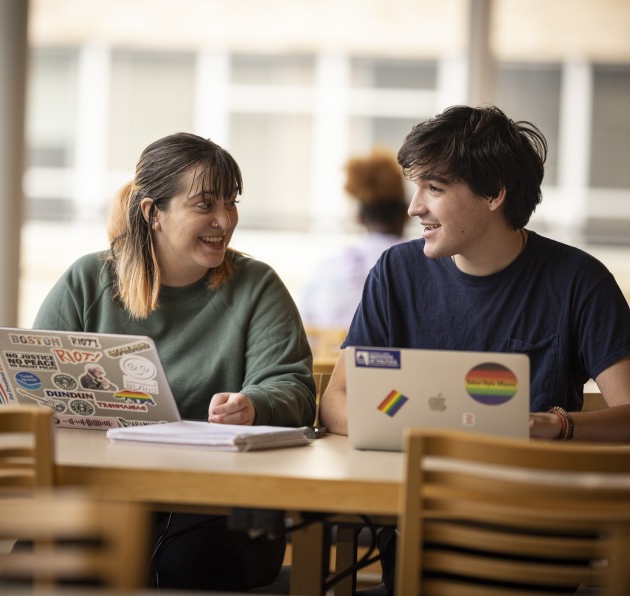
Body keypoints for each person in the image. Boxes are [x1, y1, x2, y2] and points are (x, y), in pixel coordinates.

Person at [319, 105, 630, 595]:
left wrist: (557, 424)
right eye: (415, 186)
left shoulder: (579, 282)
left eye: (434, 189)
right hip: (420, 528)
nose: (413, 207)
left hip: (539, 540)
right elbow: (336, 400)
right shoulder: (396, 273)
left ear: (493, 194)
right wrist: (424, 433)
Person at [33, 132, 317, 592]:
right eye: (205, 205)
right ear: (153, 213)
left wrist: (254, 404)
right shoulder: (88, 280)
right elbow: (37, 387)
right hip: (104, 496)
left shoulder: (257, 286)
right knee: (26, 574)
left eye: (231, 203)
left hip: (220, 509)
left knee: (183, 568)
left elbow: (295, 389)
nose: (224, 220)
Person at [298, 147, 408, 329]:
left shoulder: (329, 269)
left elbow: (305, 324)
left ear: (360, 217)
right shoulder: (427, 264)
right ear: (406, 212)